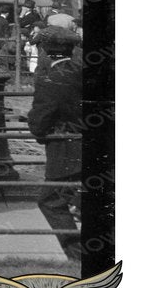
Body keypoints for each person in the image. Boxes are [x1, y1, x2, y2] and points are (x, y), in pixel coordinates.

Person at [28, 24, 84, 263]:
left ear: (45, 51)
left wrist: (40, 133)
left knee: (51, 201)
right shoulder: (82, 72)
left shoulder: (51, 79)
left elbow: (39, 120)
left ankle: (78, 255)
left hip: (66, 150)